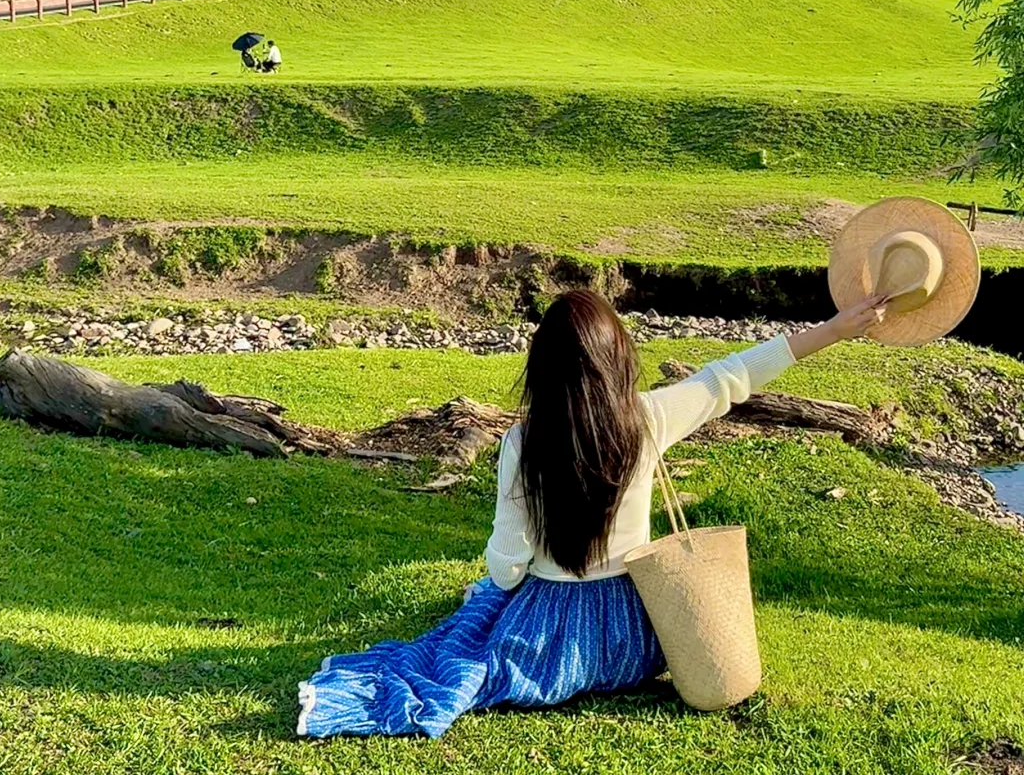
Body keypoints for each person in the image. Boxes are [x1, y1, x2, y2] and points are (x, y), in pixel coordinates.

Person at [297, 287, 887, 740]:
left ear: (543, 365)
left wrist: (498, 586)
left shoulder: (524, 442)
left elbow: (508, 561)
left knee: (472, 620)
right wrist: (836, 329)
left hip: (548, 647)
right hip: (639, 637)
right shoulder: (649, 417)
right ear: (619, 359)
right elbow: (731, 376)